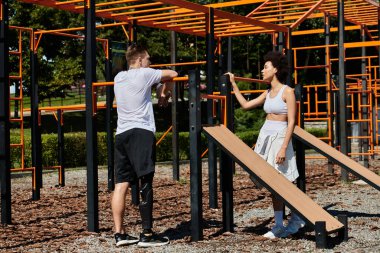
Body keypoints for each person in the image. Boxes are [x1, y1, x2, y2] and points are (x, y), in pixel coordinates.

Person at [226, 51, 305, 239]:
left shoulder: (288, 92)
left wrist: (284, 147)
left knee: (285, 181)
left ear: (275, 69)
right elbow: (245, 105)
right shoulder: (268, 92)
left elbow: (292, 121)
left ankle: (297, 217)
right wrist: (234, 84)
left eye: (266, 67)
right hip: (266, 135)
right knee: (271, 183)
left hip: (279, 136)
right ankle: (278, 225)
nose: (262, 70)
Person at [111, 44, 178, 247]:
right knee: (145, 181)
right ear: (140, 60)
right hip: (141, 132)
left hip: (121, 134)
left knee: (121, 184)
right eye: (148, 59)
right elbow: (173, 73)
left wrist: (161, 92)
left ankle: (119, 233)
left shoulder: (119, 77)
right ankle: (147, 235)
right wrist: (164, 94)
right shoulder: (144, 73)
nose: (151, 62)